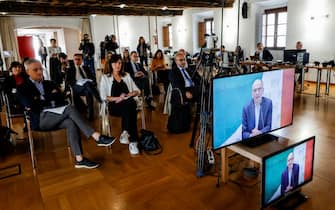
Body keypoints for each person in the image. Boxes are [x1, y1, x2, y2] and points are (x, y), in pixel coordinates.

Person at [17, 58, 116, 169]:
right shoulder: (22, 88)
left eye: (40, 69)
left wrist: (41, 98)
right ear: (27, 72)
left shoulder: (49, 83)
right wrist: (49, 97)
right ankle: (97, 137)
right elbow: (30, 104)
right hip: (40, 119)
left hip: (57, 113)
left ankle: (80, 159)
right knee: (70, 109)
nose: (40, 72)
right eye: (35, 70)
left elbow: (61, 98)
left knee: (70, 122)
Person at [99, 54, 140, 155]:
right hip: (114, 106)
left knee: (129, 103)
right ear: (111, 64)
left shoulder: (126, 75)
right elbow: (103, 96)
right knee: (131, 106)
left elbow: (137, 90)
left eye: (120, 63)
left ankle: (126, 133)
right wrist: (119, 98)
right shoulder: (105, 78)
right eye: (115, 63)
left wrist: (130, 94)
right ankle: (132, 140)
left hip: (128, 104)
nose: (118, 65)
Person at [65, 53, 102, 121]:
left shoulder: (86, 68)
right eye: (75, 59)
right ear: (73, 60)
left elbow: (93, 78)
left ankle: (91, 116)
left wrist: (91, 82)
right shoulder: (70, 69)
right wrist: (75, 83)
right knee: (87, 84)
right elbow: (67, 81)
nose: (77, 61)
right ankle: (99, 99)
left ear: (82, 60)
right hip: (77, 87)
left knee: (88, 91)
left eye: (79, 59)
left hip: (86, 88)